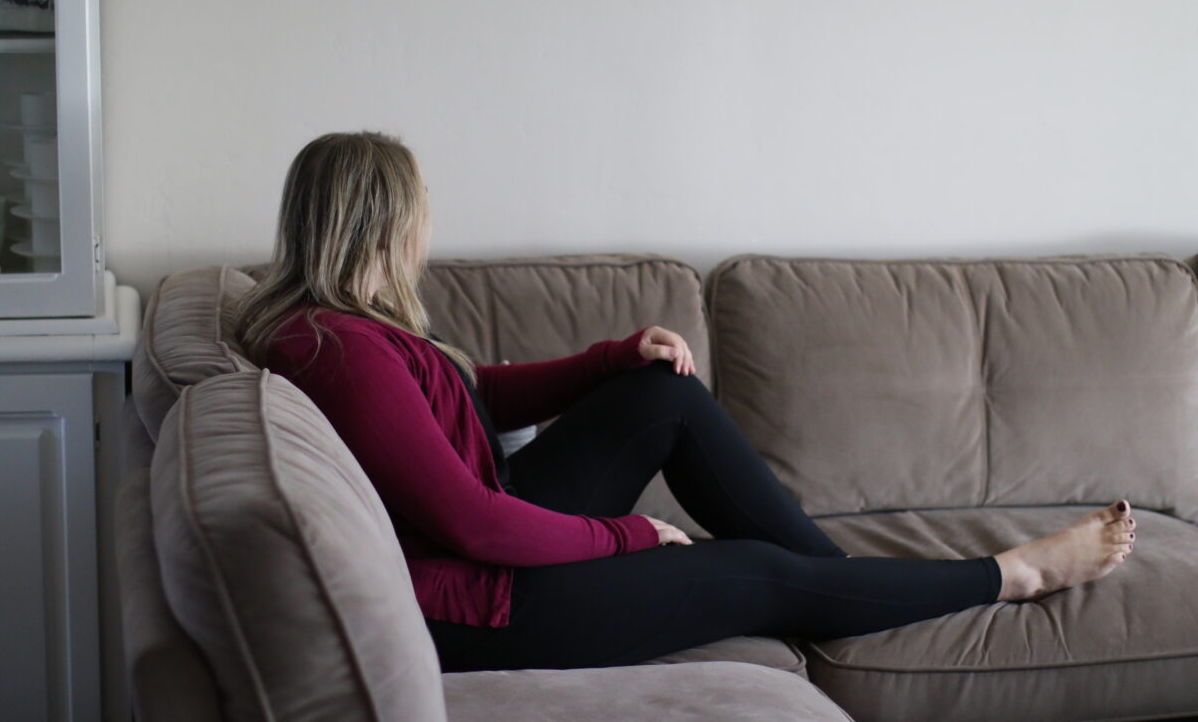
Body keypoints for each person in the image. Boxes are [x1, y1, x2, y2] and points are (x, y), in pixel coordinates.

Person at [235, 131, 1137, 672]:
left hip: (486, 555)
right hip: (477, 603)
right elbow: (474, 522)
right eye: (419, 212)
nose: (429, 230)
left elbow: (472, 394)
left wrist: (612, 357)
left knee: (658, 396)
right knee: (761, 571)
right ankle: (1013, 575)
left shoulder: (342, 327)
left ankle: (846, 590)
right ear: (382, 227)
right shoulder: (340, 353)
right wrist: (628, 535)